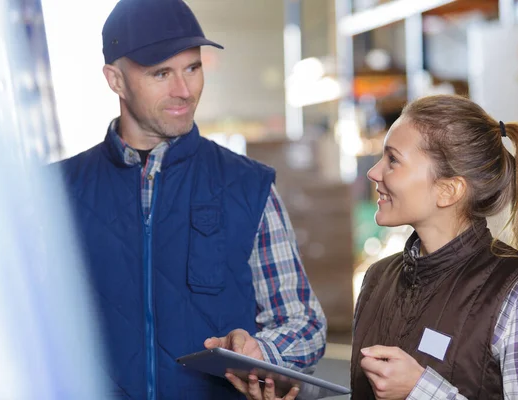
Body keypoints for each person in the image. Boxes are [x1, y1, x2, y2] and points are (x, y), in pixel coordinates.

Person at [52, 0, 327, 398]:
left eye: (193, 68)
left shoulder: (248, 187)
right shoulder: (57, 192)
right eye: (161, 73)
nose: (184, 90)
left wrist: (260, 350)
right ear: (115, 79)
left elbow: (305, 324)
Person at [227, 94, 518, 399]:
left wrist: (420, 391)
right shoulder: (379, 280)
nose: (374, 173)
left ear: (448, 190)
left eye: (393, 160)